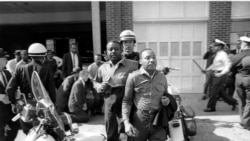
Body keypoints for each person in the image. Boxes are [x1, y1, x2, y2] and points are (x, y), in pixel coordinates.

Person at [122, 48, 173, 141]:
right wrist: (126, 122)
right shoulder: (133, 77)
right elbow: (127, 101)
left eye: (154, 57)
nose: (152, 60)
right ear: (140, 61)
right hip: (139, 120)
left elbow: (166, 95)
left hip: (158, 120)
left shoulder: (162, 77)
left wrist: (167, 101)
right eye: (148, 58)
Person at [6, 43, 56, 134]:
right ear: (44, 56)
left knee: (29, 134)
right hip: (42, 107)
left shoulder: (19, 69)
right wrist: (53, 105)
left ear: (30, 55)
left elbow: (9, 88)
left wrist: (13, 103)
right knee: (43, 134)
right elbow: (52, 90)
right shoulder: (47, 69)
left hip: (25, 107)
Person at [94, 40, 138, 141]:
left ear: (121, 50)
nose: (113, 51)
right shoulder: (102, 68)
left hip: (126, 107)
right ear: (106, 52)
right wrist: (99, 86)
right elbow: (95, 82)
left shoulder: (133, 65)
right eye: (110, 49)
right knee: (111, 134)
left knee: (127, 135)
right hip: (109, 108)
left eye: (116, 49)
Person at [203, 39, 237, 112]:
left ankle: (211, 107)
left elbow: (228, 65)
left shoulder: (223, 54)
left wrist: (221, 73)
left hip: (219, 74)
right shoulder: (216, 54)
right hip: (214, 73)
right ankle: (234, 102)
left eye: (215, 46)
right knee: (220, 91)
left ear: (220, 47)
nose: (213, 47)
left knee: (213, 91)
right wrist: (207, 69)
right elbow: (215, 64)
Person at [0, 48, 19, 141]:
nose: (6, 61)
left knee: (13, 132)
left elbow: (14, 87)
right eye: (4, 59)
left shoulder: (7, 73)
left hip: (10, 112)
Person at [235, 56, 250, 130]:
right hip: (248, 80)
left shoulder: (245, 59)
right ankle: (245, 122)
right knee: (249, 102)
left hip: (239, 78)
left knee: (241, 101)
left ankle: (242, 120)